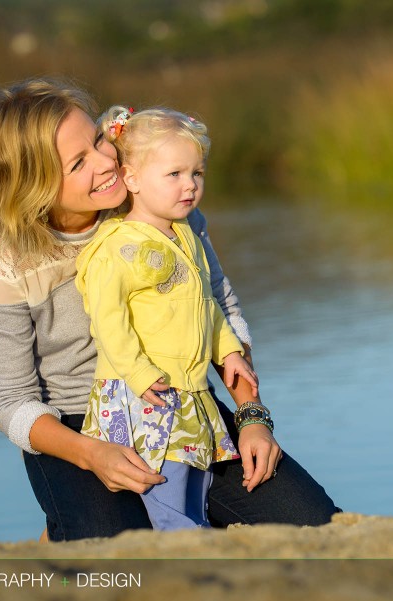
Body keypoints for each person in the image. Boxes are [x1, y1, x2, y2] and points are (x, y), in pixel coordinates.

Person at [0, 76, 337, 541]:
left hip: (183, 406)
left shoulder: (157, 202)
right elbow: (9, 400)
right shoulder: (3, 261)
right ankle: (68, 521)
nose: (107, 162)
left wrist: (252, 418)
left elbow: (219, 308)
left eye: (99, 140)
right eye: (79, 162)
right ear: (33, 184)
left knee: (319, 525)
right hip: (80, 429)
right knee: (117, 553)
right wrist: (89, 455)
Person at [76, 104, 262, 530]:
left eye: (196, 173)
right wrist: (139, 373)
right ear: (132, 179)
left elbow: (207, 306)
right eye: (174, 174)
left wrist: (229, 351)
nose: (190, 185)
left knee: (195, 487)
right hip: (144, 395)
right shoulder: (118, 246)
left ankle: (195, 549)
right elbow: (108, 321)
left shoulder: (185, 235)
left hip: (189, 392)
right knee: (166, 492)